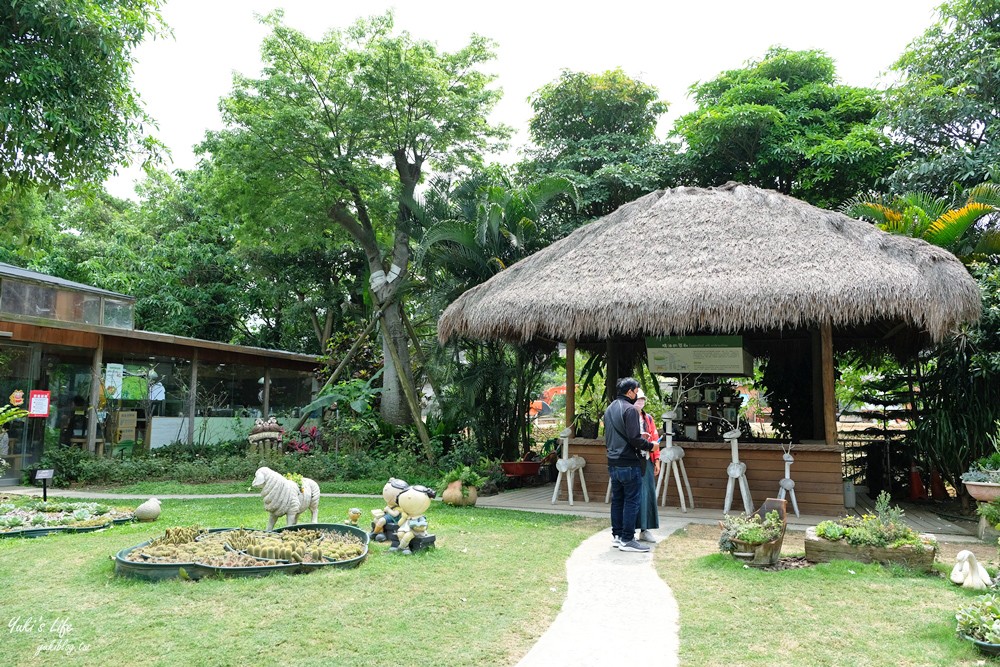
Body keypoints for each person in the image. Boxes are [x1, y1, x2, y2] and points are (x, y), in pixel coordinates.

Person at [604, 377, 654, 553]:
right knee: (632, 501)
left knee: (617, 500)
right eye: (636, 390)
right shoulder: (631, 410)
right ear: (630, 391)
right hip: (628, 462)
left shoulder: (609, 409)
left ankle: (617, 537)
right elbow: (634, 438)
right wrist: (650, 445)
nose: (637, 394)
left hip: (613, 461)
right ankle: (627, 539)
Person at [634, 388, 660, 542]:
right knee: (633, 495)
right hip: (632, 459)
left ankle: (645, 529)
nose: (641, 401)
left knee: (648, 494)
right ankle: (628, 530)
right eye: (639, 398)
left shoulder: (648, 418)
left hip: (647, 459)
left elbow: (655, 439)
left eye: (643, 399)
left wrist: (656, 460)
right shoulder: (627, 417)